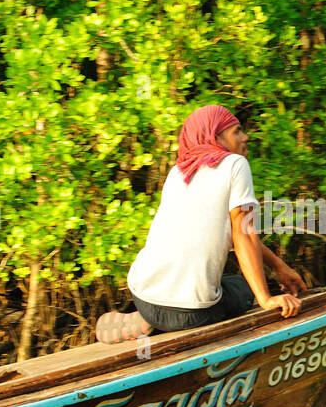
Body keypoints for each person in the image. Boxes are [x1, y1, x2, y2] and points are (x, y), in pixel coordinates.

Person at [96, 105, 306, 343]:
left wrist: (278, 266)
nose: (245, 137)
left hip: (143, 295)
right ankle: (166, 321)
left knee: (230, 283)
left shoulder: (178, 172)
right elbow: (243, 235)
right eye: (237, 131)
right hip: (192, 313)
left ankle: (150, 320)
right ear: (216, 137)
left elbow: (227, 234)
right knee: (244, 290)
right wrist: (265, 299)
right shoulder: (235, 164)